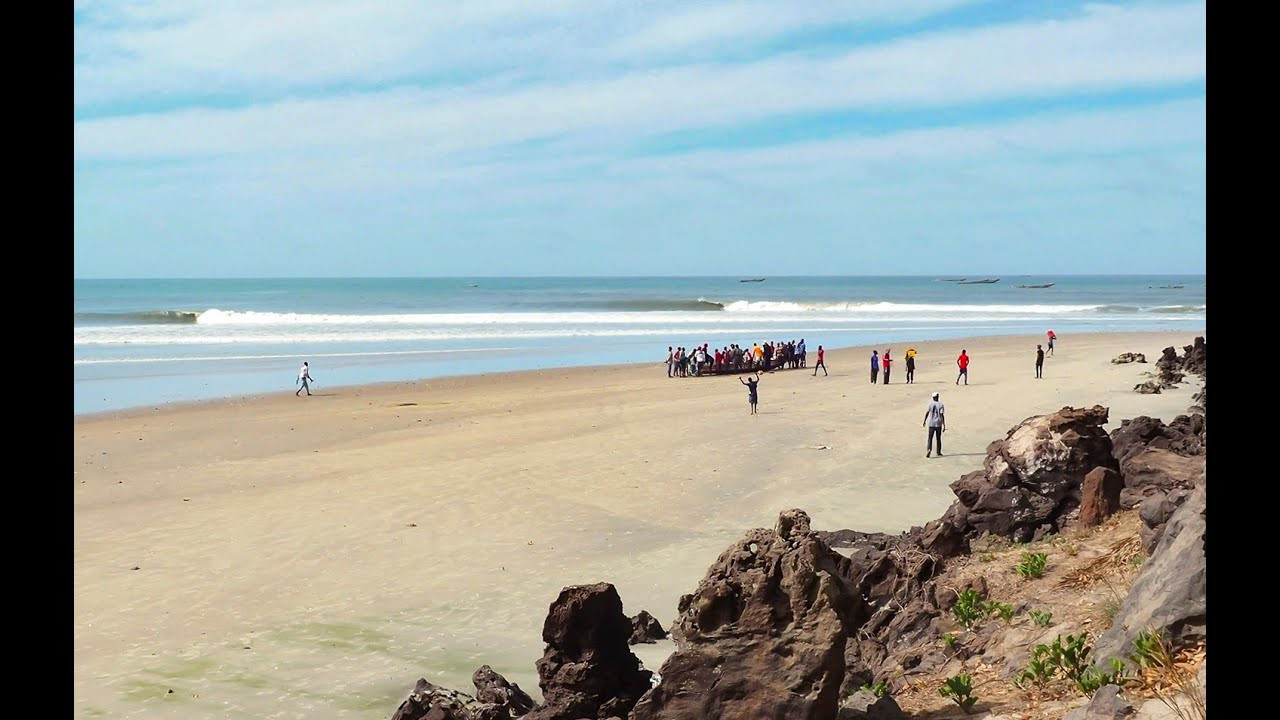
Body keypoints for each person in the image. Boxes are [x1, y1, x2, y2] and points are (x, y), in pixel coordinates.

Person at [922, 391, 946, 457]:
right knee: (938, 438)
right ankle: (938, 451)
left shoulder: (930, 404)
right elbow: (941, 415)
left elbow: (927, 413)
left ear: (933, 398)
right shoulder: (941, 405)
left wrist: (924, 421)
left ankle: (929, 449)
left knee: (930, 438)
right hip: (938, 423)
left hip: (931, 423)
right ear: (938, 397)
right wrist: (944, 424)